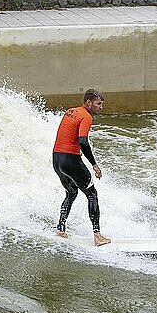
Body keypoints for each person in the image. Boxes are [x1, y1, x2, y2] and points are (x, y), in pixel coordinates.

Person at [52, 89, 111, 246]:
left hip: (57, 159)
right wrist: (94, 164)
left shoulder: (70, 111)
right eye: (98, 104)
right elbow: (83, 141)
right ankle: (97, 236)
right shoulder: (86, 116)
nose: (100, 107)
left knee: (71, 192)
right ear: (88, 102)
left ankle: (61, 228)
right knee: (92, 195)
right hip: (71, 159)